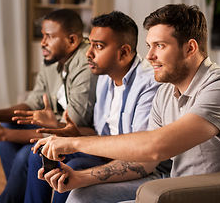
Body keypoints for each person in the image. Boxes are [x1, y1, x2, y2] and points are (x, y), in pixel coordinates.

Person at [33, 4, 220, 203]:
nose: (150, 55)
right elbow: (142, 162)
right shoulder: (166, 91)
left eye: (160, 46)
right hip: (179, 187)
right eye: (149, 45)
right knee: (82, 195)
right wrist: (80, 177)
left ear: (190, 48)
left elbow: (155, 147)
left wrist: (74, 143)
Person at [24, 11, 165, 203]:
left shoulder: (149, 85)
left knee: (75, 166)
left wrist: (78, 142)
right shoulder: (104, 77)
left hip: (141, 165)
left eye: (98, 46)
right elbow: (101, 134)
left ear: (123, 52)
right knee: (40, 154)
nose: (88, 53)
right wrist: (70, 133)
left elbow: (142, 154)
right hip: (107, 153)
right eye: (89, 44)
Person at [0, 9, 98, 203]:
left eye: (49, 37)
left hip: (75, 133)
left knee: (27, 154)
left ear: (72, 40)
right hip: (51, 126)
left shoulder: (85, 64)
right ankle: (18, 197)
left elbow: (70, 128)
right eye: (42, 35)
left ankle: (6, 200)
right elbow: (34, 101)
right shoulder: (51, 59)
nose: (42, 42)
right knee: (9, 127)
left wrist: (2, 133)